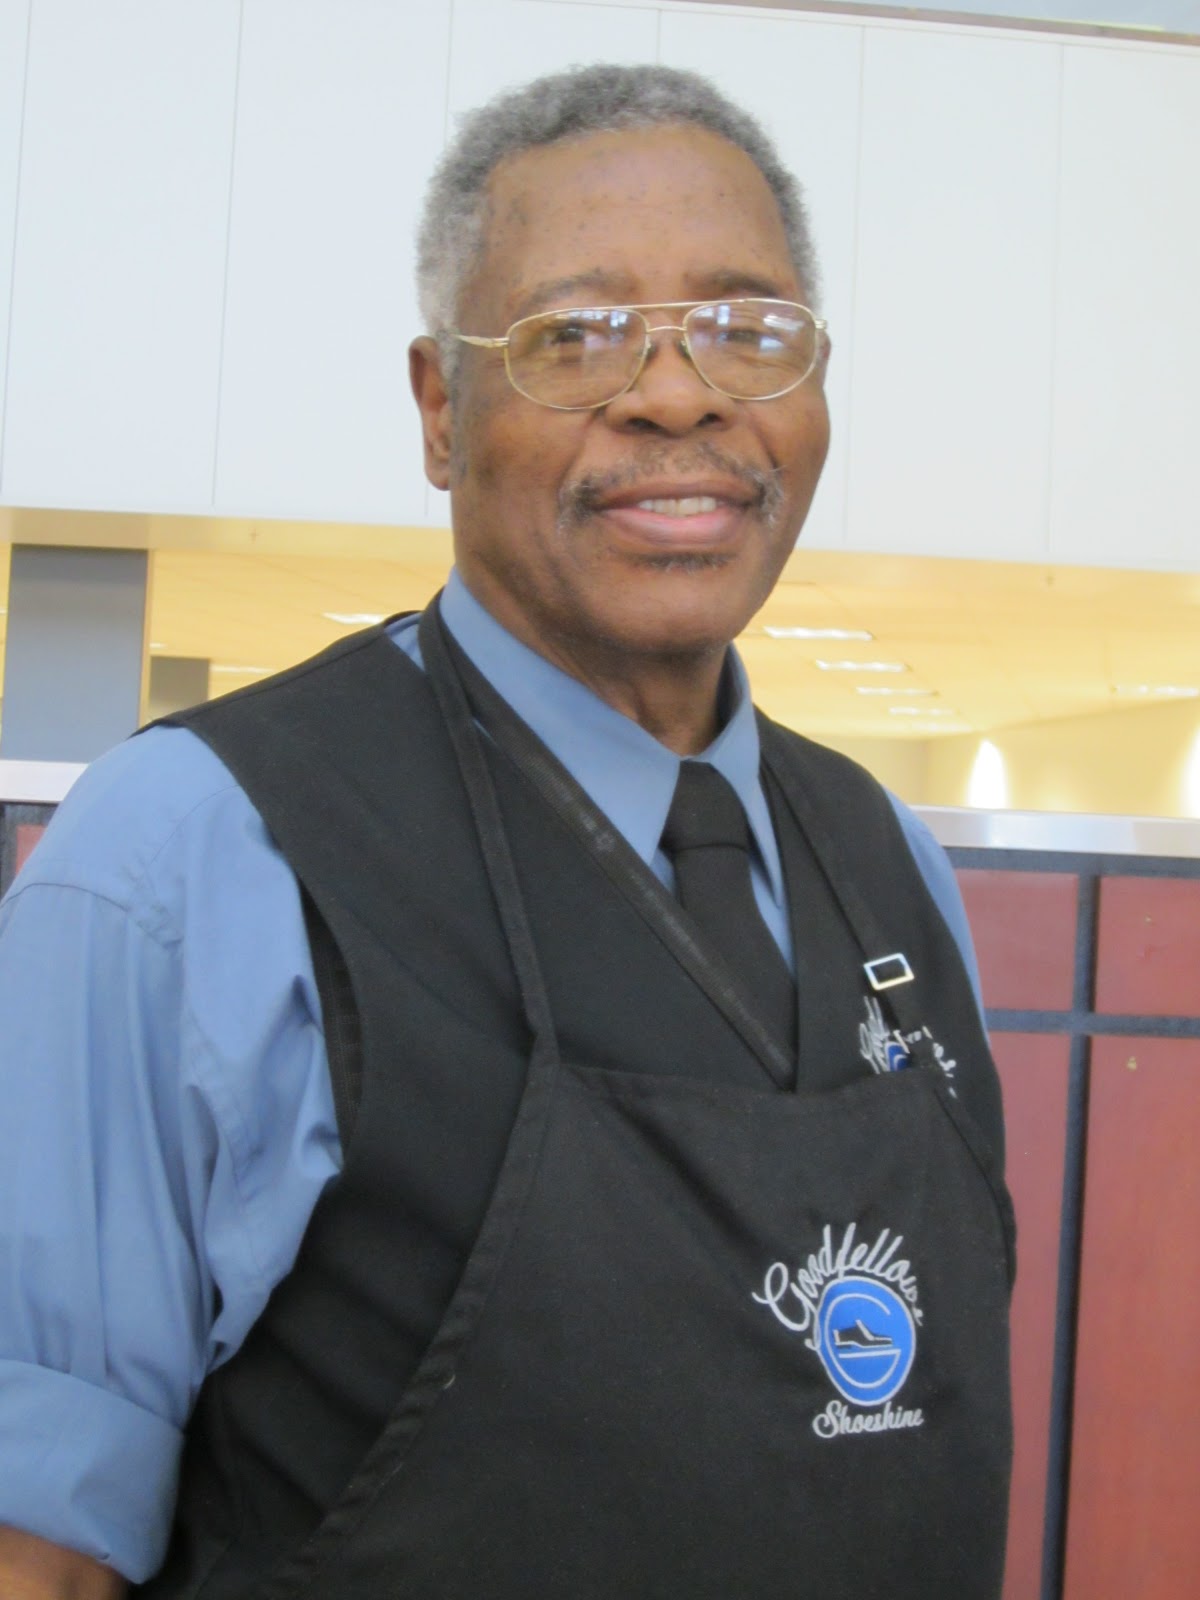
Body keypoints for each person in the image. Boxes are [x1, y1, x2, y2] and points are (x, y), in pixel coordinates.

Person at [0, 63, 1013, 1600]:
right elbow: (39, 1551)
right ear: (437, 407)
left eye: (749, 329)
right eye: (577, 334)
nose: (678, 394)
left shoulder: (889, 860)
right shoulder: (193, 854)